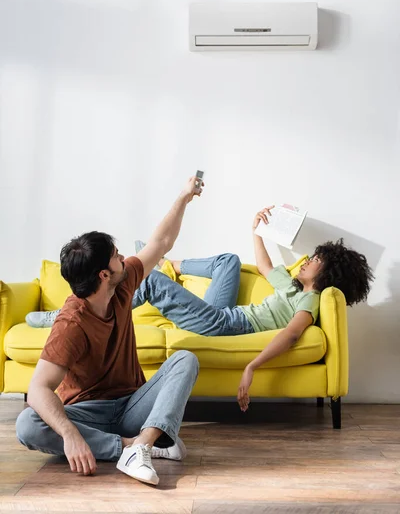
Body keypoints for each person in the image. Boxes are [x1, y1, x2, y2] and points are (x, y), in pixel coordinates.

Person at [26, 205, 374, 415]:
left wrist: (252, 365)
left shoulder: (310, 300)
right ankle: (166, 263)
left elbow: (292, 333)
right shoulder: (293, 285)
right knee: (229, 261)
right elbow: (264, 266)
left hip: (226, 326)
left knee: (148, 283)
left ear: (327, 274)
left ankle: (61, 316)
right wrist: (257, 229)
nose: (307, 260)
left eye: (314, 261)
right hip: (223, 316)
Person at [16, 177, 204, 487]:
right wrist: (71, 434)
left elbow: (161, 243)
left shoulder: (123, 283)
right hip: (88, 413)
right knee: (27, 424)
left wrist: (184, 196)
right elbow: (38, 389)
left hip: (133, 406)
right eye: (117, 256)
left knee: (185, 359)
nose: (123, 259)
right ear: (105, 274)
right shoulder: (70, 324)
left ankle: (142, 443)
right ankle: (134, 448)